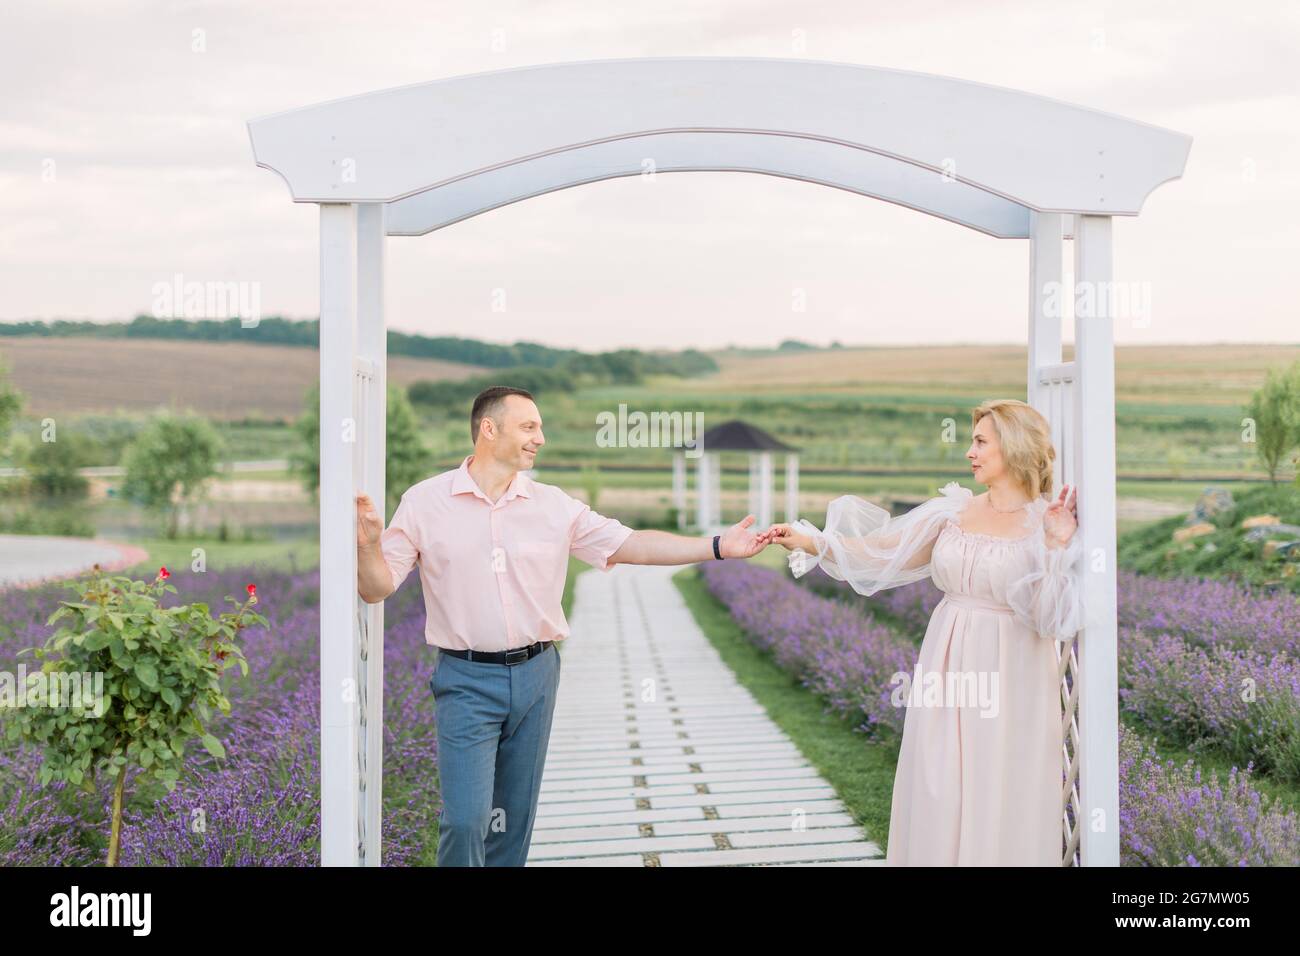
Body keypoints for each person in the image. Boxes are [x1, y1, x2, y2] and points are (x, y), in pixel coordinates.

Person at [355, 385, 777, 866]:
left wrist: (718, 545)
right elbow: (376, 588)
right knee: (467, 820)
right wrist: (367, 545)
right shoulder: (425, 502)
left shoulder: (554, 505)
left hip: (538, 675)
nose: (541, 438)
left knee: (512, 822)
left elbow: (632, 544)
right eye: (529, 426)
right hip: (466, 680)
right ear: (489, 430)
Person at [767, 398, 1085, 866]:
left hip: (1013, 665)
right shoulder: (951, 512)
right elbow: (879, 552)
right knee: (940, 783)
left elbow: (1052, 617)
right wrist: (814, 541)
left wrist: (1057, 545)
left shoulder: (1045, 523)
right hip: (948, 654)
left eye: (980, 441)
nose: (969, 453)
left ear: (1014, 446)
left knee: (1000, 780)